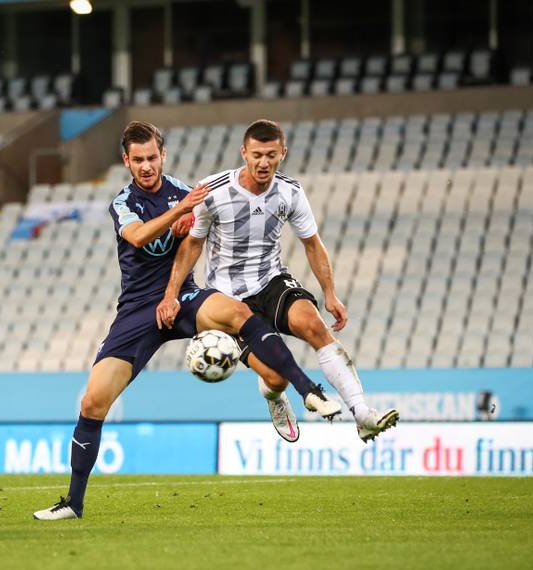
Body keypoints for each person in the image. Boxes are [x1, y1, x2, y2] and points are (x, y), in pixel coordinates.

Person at [33, 121, 340, 521]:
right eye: (138, 160)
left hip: (183, 298)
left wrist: (189, 221)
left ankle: (305, 389)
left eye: (152, 157)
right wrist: (181, 212)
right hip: (138, 312)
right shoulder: (125, 202)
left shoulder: (188, 192)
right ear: (127, 161)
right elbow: (139, 237)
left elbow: (214, 229)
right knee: (93, 401)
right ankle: (74, 502)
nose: (146, 166)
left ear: (162, 155)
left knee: (239, 315)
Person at [158, 119, 399, 443]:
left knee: (315, 326)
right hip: (228, 298)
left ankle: (362, 414)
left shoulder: (290, 192)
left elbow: (312, 243)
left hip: (271, 280)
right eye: (257, 154)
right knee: (275, 378)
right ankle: (274, 397)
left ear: (282, 153)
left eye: (271, 155)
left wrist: (330, 294)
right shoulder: (214, 191)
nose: (263, 162)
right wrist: (171, 293)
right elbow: (192, 244)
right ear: (244, 152)